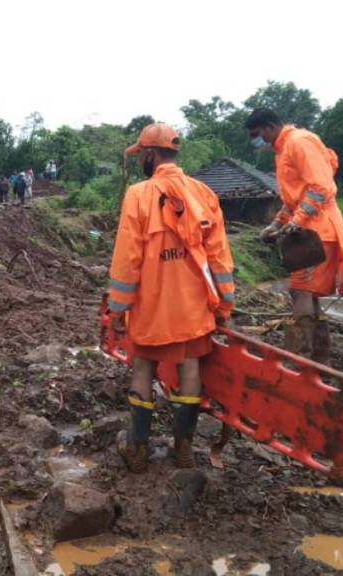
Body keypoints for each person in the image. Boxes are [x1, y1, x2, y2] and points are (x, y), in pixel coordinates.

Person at [106, 123, 236, 472]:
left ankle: (136, 450)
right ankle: (183, 446)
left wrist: (117, 308)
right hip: (194, 306)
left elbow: (127, 257)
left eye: (141, 156)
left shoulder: (138, 195)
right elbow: (220, 257)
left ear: (149, 154)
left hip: (151, 306)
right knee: (189, 365)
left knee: (143, 368)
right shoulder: (204, 194)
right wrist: (225, 304)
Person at [245, 108, 343, 363]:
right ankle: (319, 360)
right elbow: (294, 198)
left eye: (256, 134)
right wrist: (276, 225)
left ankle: (300, 360)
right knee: (309, 296)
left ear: (269, 127)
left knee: (300, 292)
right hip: (311, 229)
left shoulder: (300, 142)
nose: (256, 140)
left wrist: (295, 223)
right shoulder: (284, 149)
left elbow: (320, 188)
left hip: (318, 231)